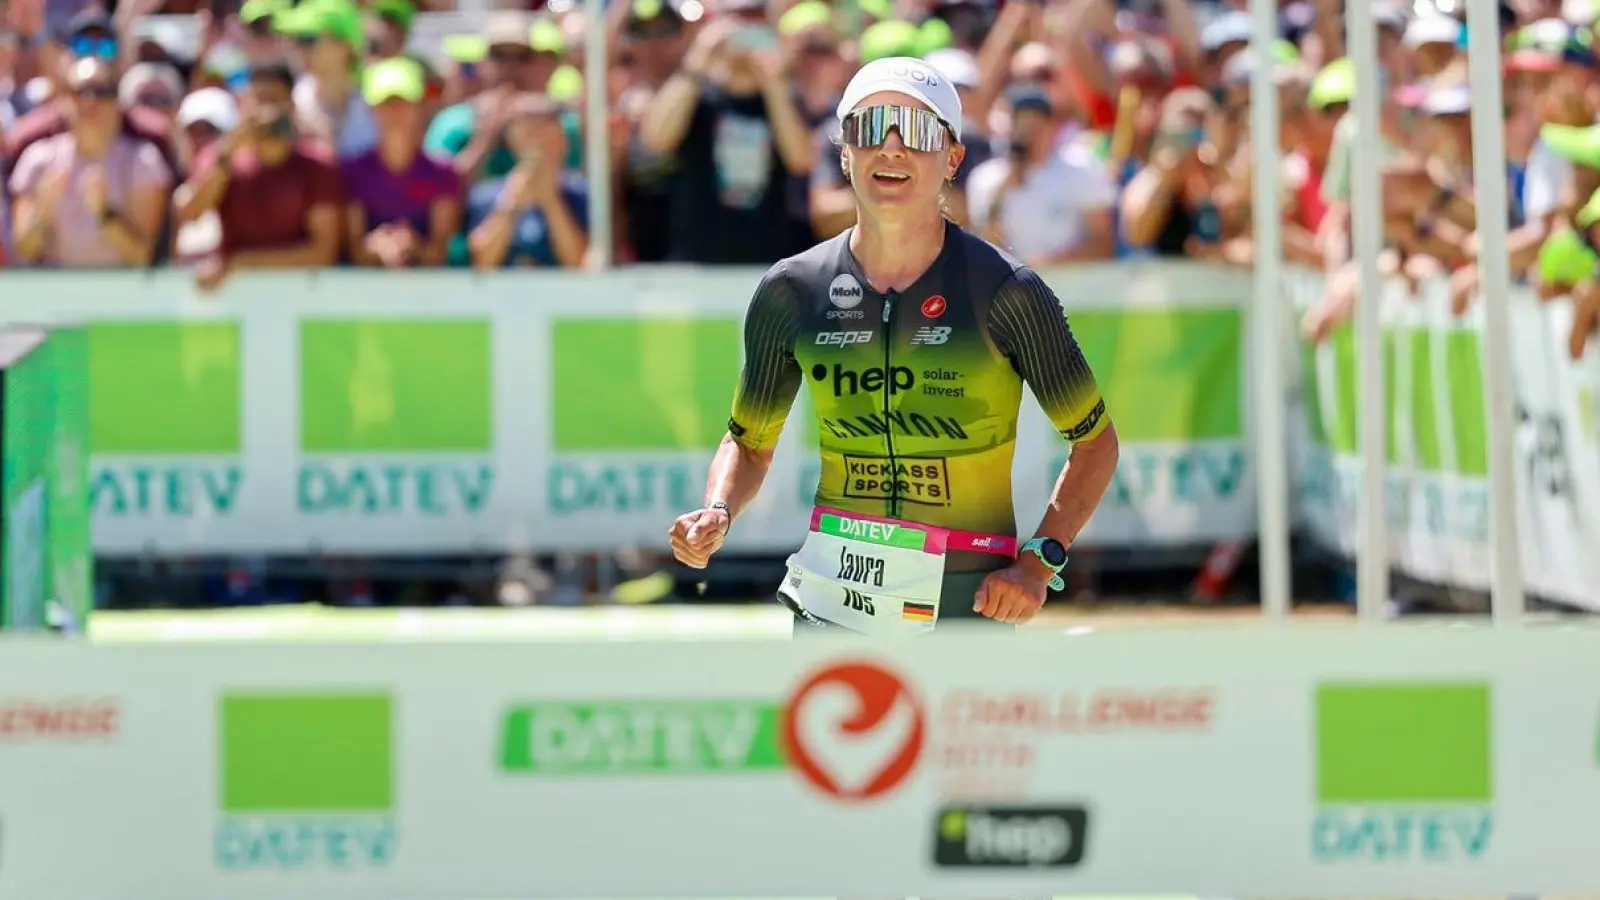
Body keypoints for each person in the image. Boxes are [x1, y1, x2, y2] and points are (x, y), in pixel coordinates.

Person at [666, 56, 1121, 634]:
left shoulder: (1005, 290)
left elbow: (1095, 443)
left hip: (966, 602)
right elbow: (748, 443)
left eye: (921, 131)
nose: (893, 148)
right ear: (844, 151)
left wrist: (1040, 561)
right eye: (870, 127)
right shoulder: (792, 289)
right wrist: (719, 509)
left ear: (953, 158)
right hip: (832, 602)